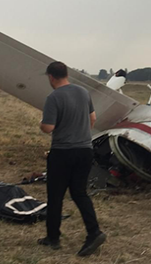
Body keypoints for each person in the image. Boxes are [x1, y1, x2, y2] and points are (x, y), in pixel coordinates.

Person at [38, 61, 106, 256]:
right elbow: (93, 119)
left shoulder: (53, 97)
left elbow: (48, 127)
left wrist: (42, 124)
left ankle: (53, 238)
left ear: (51, 77)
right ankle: (94, 232)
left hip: (62, 152)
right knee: (79, 193)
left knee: (55, 195)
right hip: (85, 150)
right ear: (66, 74)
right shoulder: (83, 93)